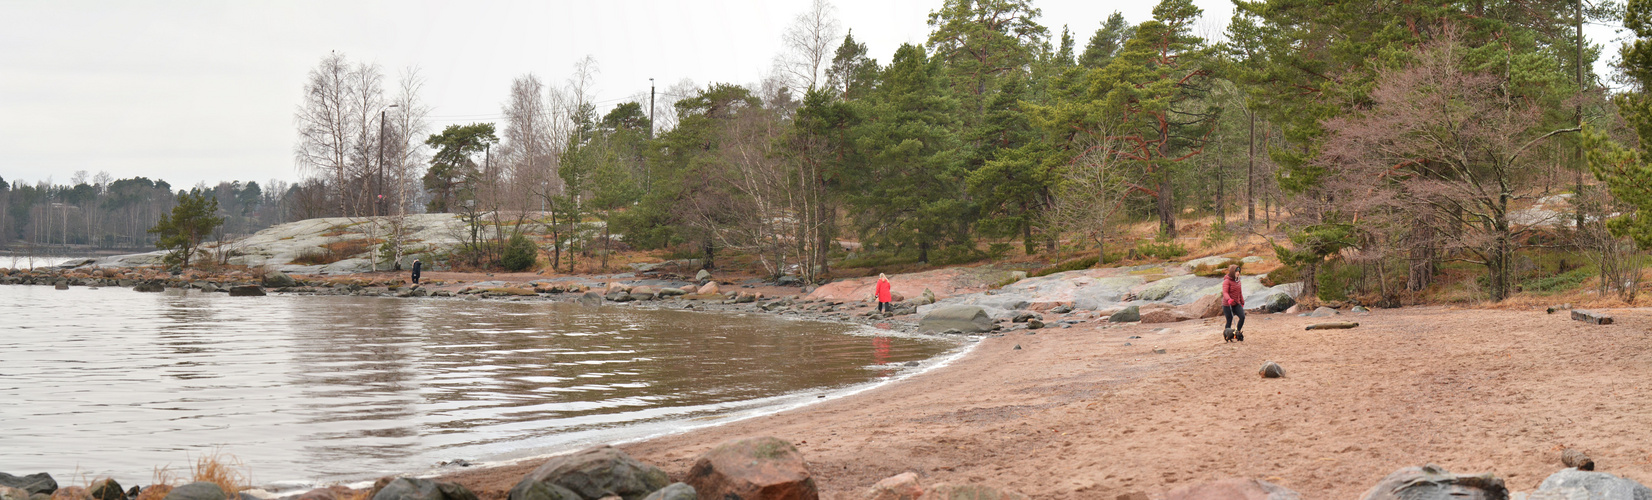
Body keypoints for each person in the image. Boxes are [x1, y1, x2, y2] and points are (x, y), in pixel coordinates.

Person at [1222, 264, 1245, 342]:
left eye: (1239, 271)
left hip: (1236, 303)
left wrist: (1242, 301)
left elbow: (1240, 292)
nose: (1238, 273)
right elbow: (1225, 292)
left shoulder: (1238, 281)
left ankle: (1237, 333)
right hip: (1227, 305)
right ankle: (1227, 336)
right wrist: (1228, 299)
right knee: (1229, 320)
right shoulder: (1226, 281)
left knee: (1242, 317)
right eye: (1236, 272)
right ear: (1232, 272)